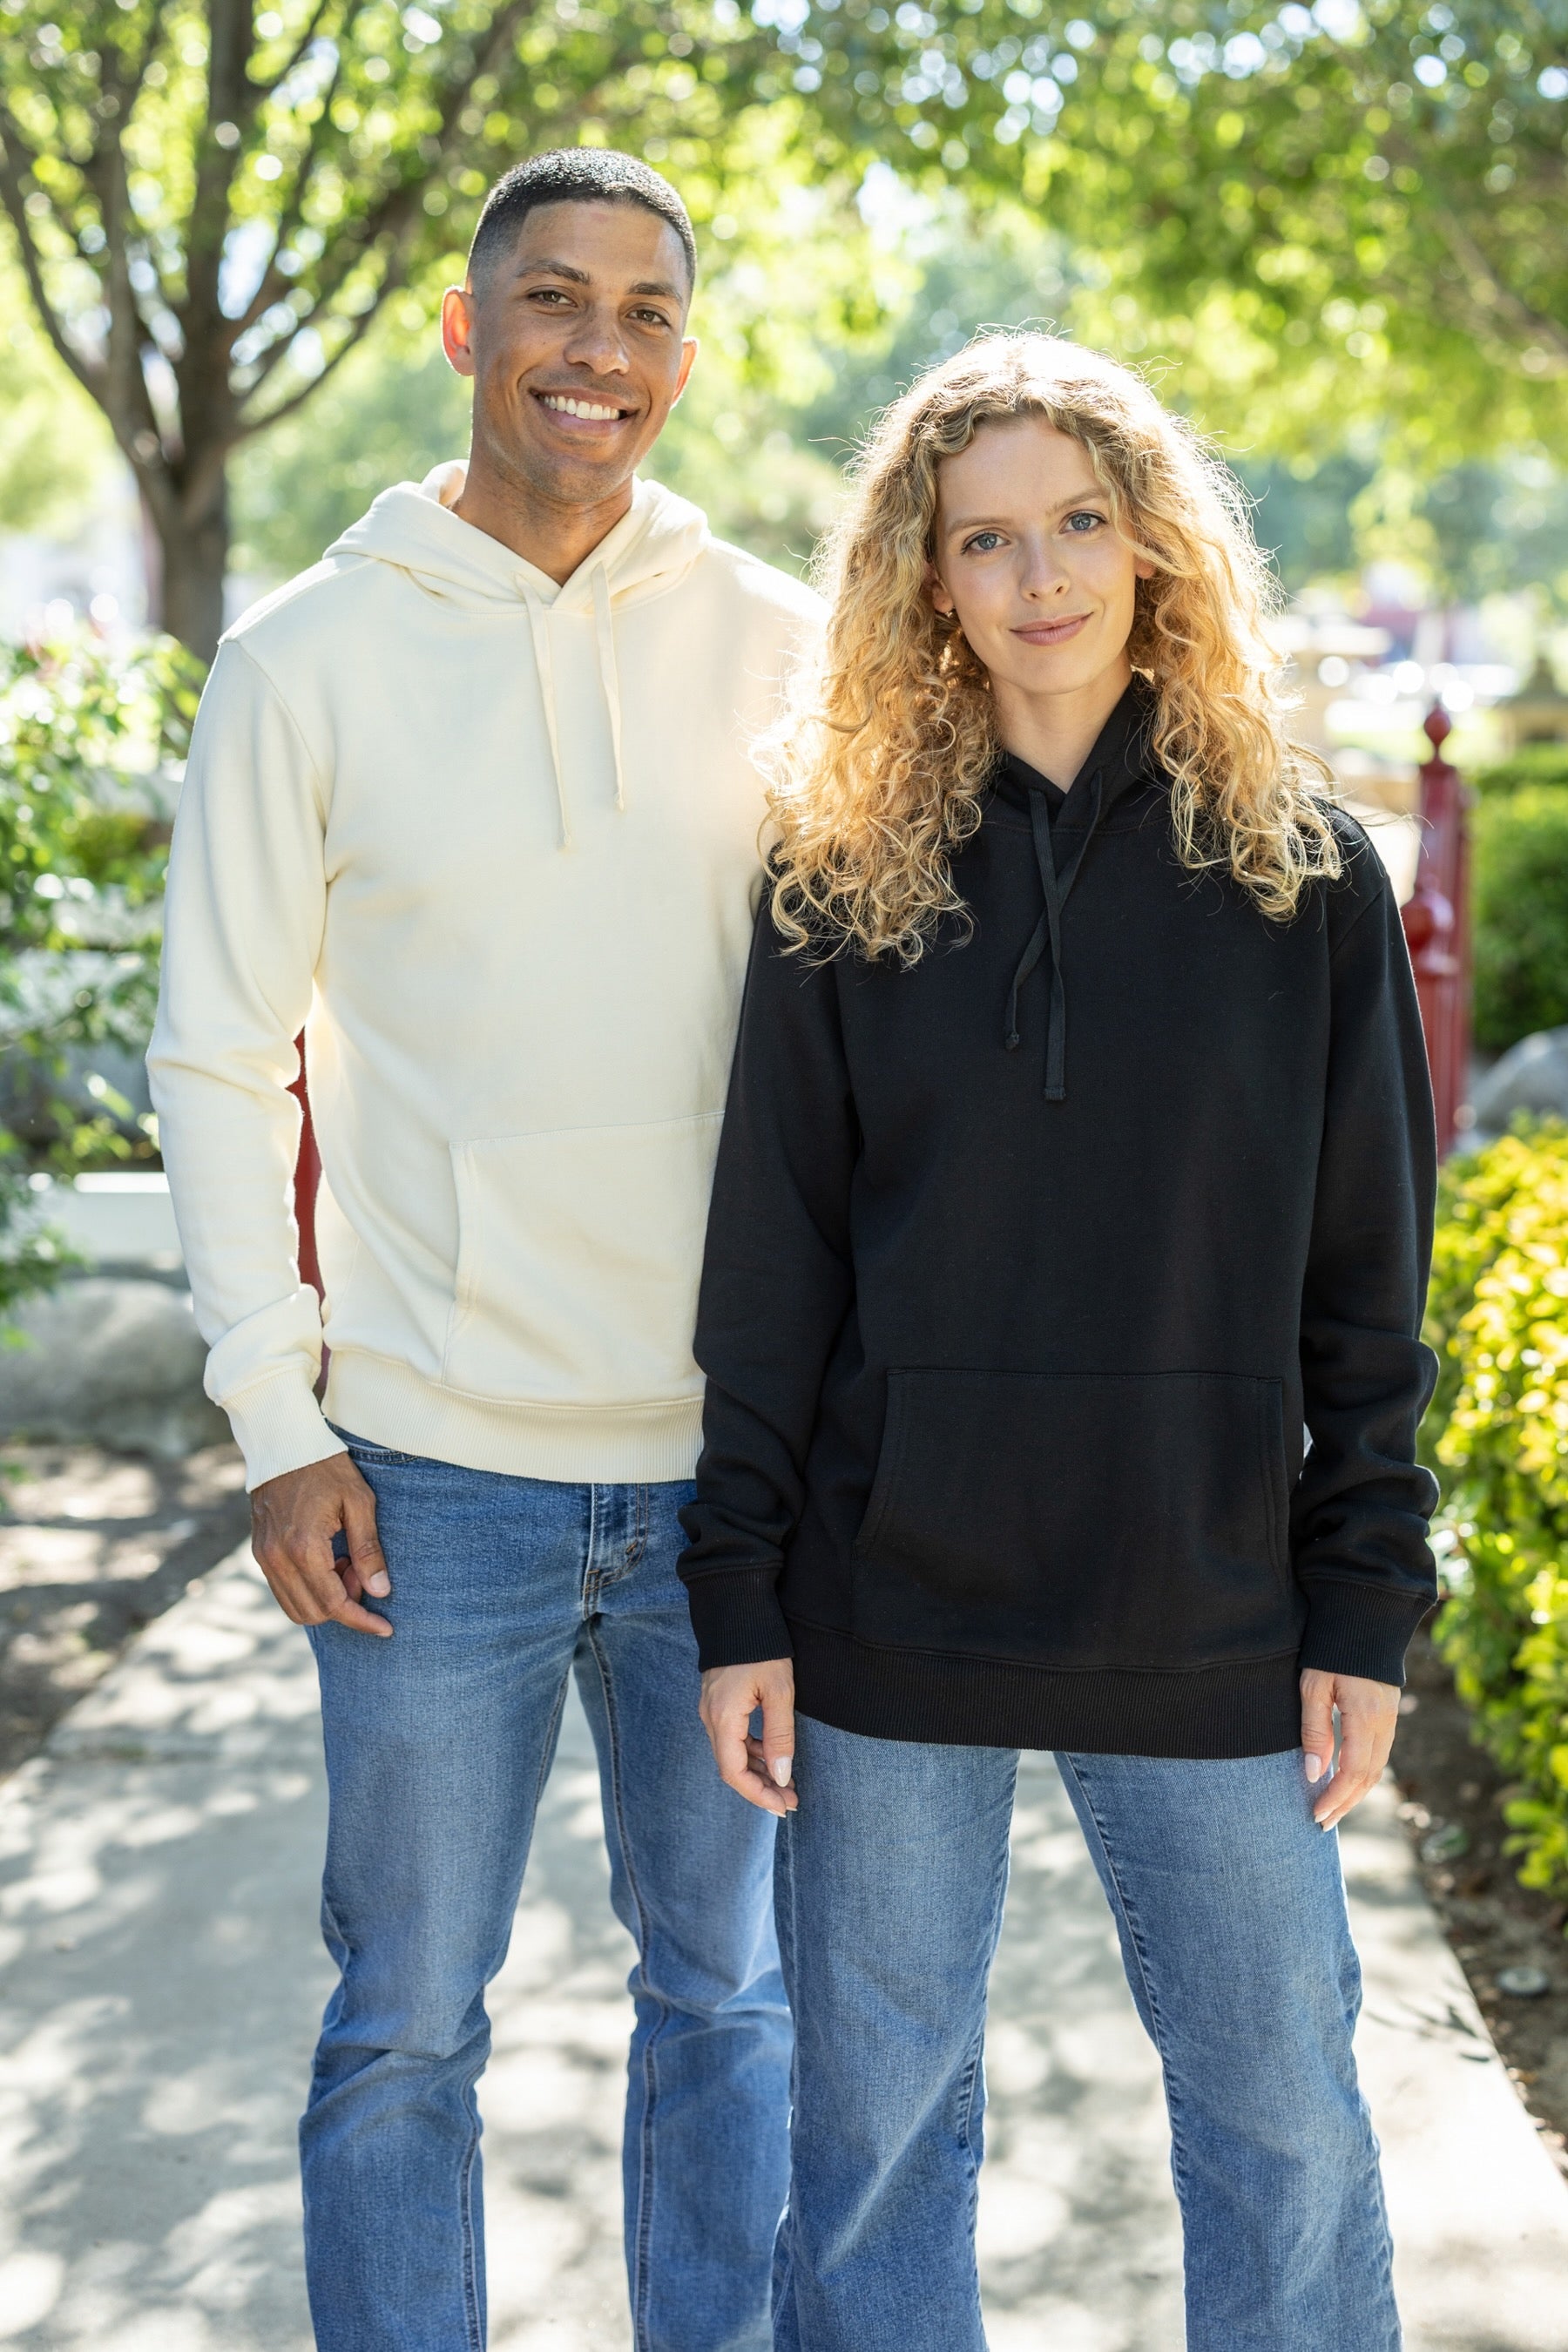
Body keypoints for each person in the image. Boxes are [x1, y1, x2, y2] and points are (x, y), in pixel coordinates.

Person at [679, 331, 1438, 2352]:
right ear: (924, 580)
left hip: (1210, 1605)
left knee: (1282, 2138)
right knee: (875, 2155)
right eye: (985, 537)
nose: (1038, 577)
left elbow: (1369, 1279)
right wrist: (738, 1593)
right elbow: (773, 1266)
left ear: (1155, 545)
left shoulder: (1309, 876)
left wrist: (1365, 1599)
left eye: (1081, 522)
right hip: (886, 1601)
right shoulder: (840, 880)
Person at [149, 149, 819, 2352]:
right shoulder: (306, 659)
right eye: (550, 299)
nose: (594, 349)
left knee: (728, 1999)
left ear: (686, 360)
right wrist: (279, 1418)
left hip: (727, 1478)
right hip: (424, 1477)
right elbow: (217, 1059)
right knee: (406, 2026)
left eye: (641, 311)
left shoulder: (783, 652)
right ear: (465, 330)